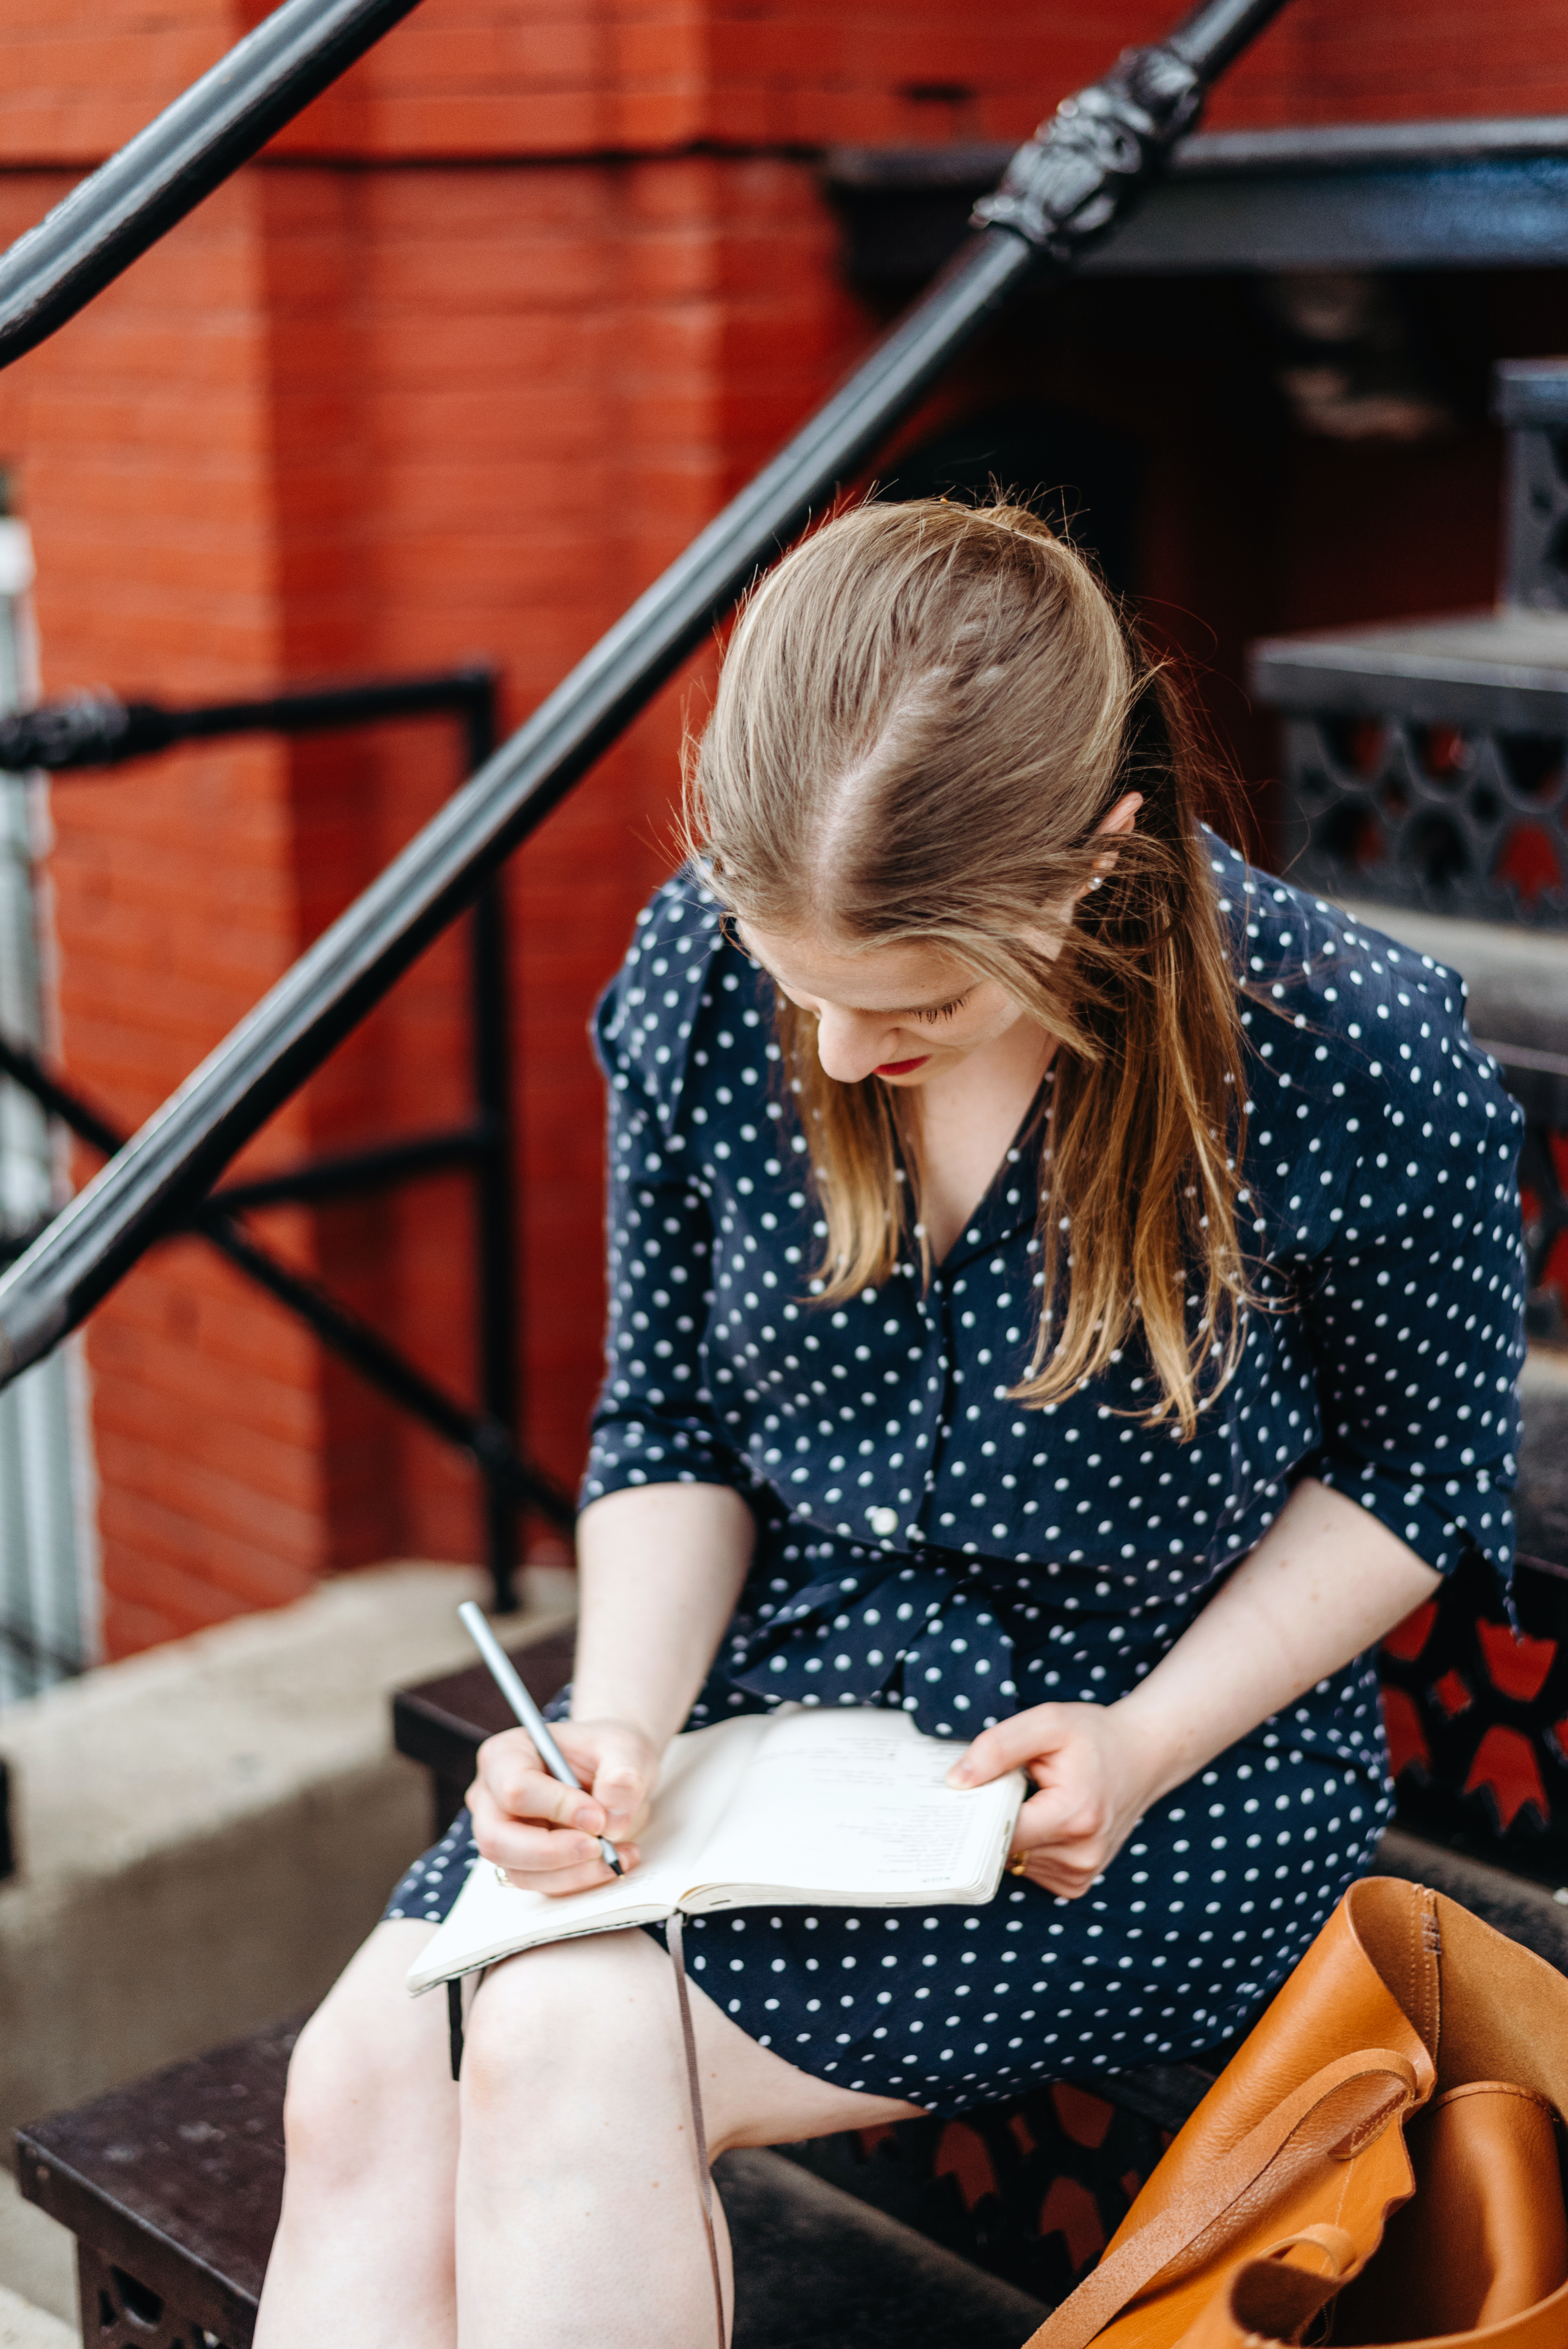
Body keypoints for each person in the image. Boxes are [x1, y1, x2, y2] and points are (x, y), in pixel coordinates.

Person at [254, 500, 1525, 2349]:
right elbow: (667, 1426)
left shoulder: (1339, 1041)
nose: (839, 1053)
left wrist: (1143, 1739)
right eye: (803, 986)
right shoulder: (698, 972)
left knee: (558, 2044)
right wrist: (609, 1719)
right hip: (772, 1708)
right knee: (357, 2082)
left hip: (1150, 1756)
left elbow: (1420, 1476)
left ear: (1096, 862)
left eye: (912, 999)